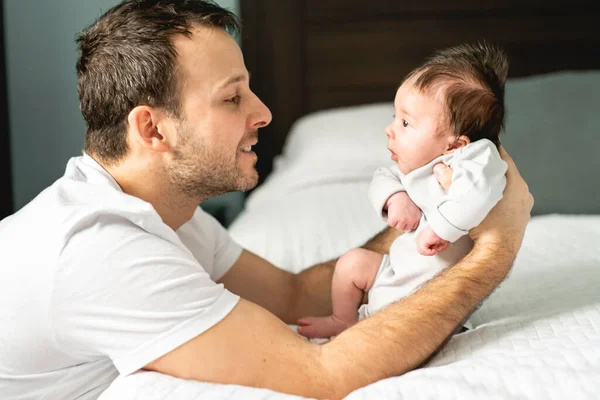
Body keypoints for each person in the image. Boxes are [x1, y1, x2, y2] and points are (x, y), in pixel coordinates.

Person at [0, 1, 533, 400]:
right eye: (232, 98)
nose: (264, 112)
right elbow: (322, 376)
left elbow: (295, 295)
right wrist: (496, 248)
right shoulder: (101, 249)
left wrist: (423, 217)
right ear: (153, 129)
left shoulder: (162, 212)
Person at [297, 42, 510, 339]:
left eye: (406, 122)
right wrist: (395, 198)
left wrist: (442, 228)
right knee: (352, 262)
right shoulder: (413, 170)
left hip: (433, 293)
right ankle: (342, 318)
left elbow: (480, 191)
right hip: (390, 273)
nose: (390, 128)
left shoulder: (476, 159)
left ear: (455, 144)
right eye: (395, 117)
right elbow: (382, 177)